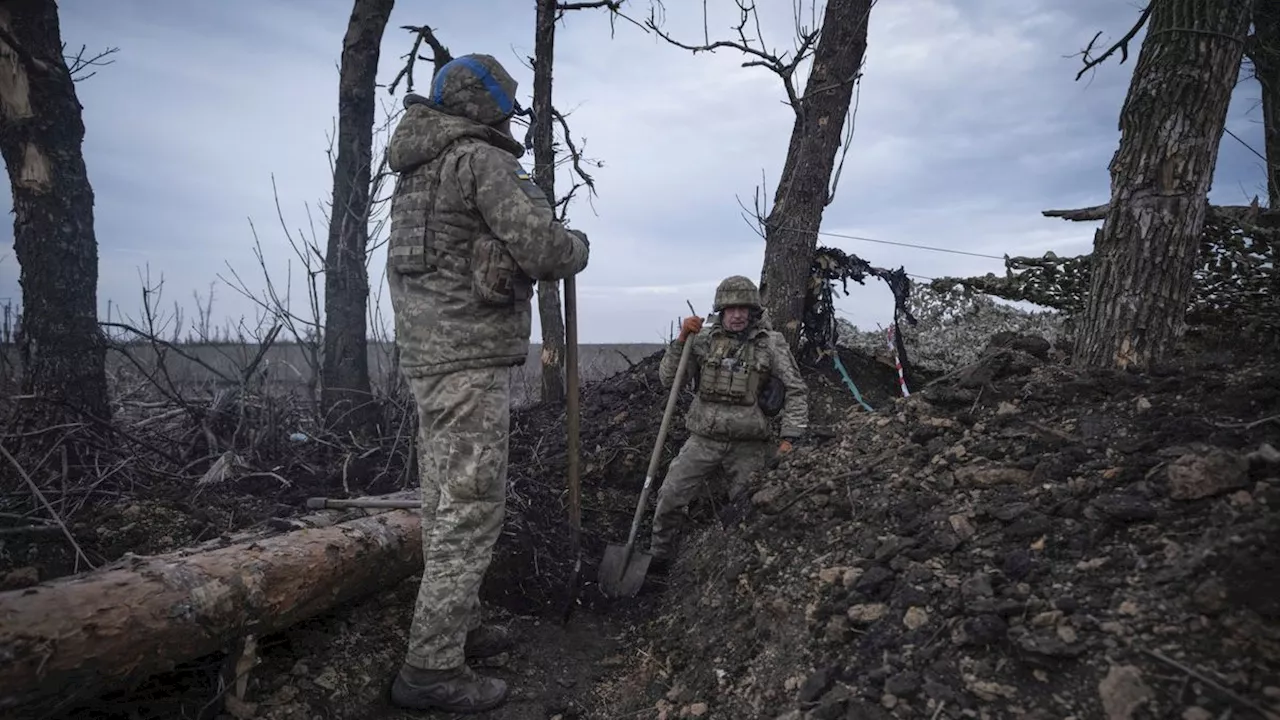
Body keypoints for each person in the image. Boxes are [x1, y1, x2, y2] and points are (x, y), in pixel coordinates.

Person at [384, 53, 590, 713]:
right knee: (471, 509)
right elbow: (547, 250)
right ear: (486, 104)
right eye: (505, 103)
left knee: (443, 502)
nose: (510, 114)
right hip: (469, 362)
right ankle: (431, 670)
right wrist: (576, 243)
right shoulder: (481, 160)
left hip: (428, 360)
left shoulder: (419, 168)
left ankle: (457, 625)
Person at [645, 275, 809, 575]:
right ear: (721, 310)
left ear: (753, 311)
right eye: (731, 308)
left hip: (749, 445)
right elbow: (669, 380)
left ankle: (741, 565)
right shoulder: (703, 340)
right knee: (670, 495)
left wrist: (791, 437)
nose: (737, 315)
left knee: (749, 508)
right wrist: (682, 340)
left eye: (743, 308)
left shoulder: (771, 343)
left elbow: (796, 390)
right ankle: (659, 559)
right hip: (703, 439)